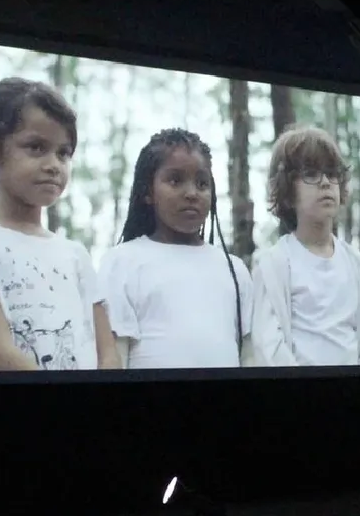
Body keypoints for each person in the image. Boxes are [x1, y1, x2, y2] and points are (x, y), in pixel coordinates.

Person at [0, 77, 119, 372]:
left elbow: (109, 355)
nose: (54, 164)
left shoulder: (76, 254)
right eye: (36, 147)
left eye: (63, 153)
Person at [98, 128, 252, 369]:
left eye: (202, 183)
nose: (191, 193)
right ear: (148, 192)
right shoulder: (122, 261)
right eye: (175, 180)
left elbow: (249, 355)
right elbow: (113, 356)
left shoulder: (235, 270)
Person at [251, 125, 360, 367]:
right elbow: (268, 347)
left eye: (332, 174)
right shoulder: (273, 265)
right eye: (310, 173)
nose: (325, 183)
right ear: (287, 192)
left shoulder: (358, 265)